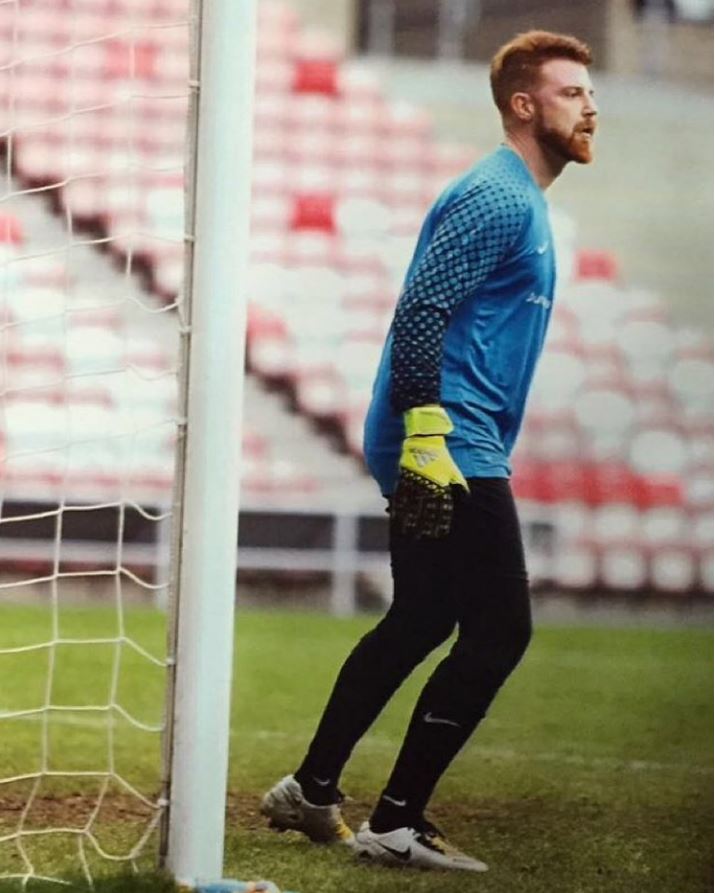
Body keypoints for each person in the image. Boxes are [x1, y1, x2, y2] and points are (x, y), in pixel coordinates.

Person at [261, 29, 598, 872]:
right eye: (570, 92)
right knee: (499, 630)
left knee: (421, 617)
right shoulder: (495, 196)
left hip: (452, 432)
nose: (591, 105)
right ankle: (396, 821)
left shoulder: (527, 199)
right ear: (523, 105)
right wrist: (424, 433)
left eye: (589, 91)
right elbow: (419, 311)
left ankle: (312, 787)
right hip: (450, 437)